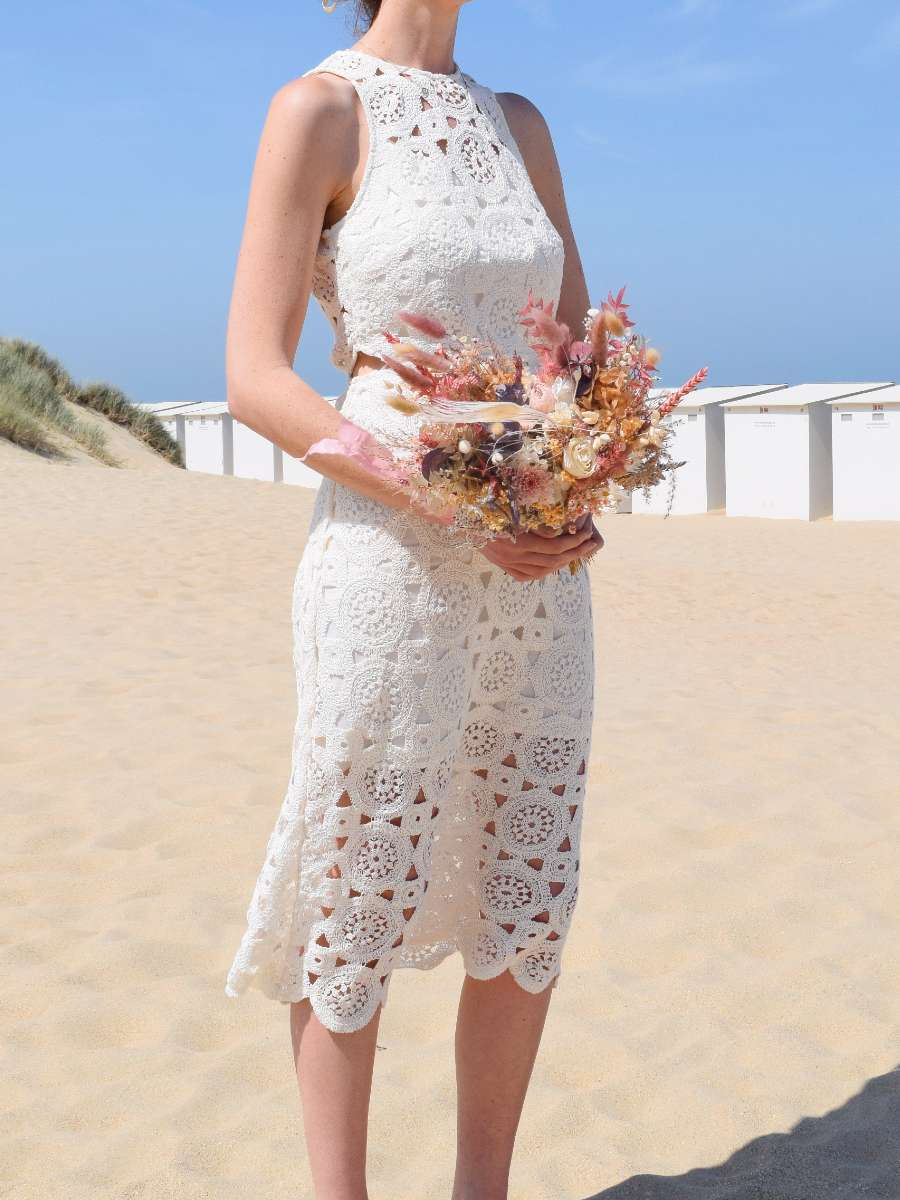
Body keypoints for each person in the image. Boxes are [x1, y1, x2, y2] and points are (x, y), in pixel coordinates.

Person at [224, 1, 603, 1196]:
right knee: (359, 880)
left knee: (523, 884)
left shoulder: (520, 123)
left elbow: (574, 345)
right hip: (390, 552)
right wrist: (442, 497)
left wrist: (578, 469)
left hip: (536, 569)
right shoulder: (319, 109)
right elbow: (252, 373)